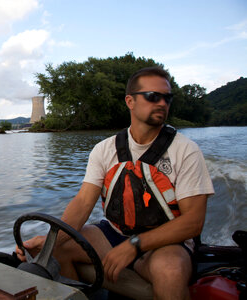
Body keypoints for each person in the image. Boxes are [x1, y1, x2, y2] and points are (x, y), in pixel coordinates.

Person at [16, 67, 214, 299]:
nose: (162, 103)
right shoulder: (104, 149)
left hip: (166, 243)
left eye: (167, 98)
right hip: (114, 235)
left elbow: (193, 222)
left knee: (169, 270)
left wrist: (135, 245)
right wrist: (48, 241)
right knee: (56, 250)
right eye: (153, 96)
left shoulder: (185, 150)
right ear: (130, 101)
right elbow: (82, 203)